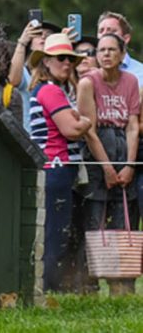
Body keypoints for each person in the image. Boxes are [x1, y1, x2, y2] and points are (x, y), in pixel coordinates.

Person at [75, 32, 140, 295]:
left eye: (112, 50)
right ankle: (87, 287)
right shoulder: (87, 83)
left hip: (123, 149)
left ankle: (123, 287)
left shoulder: (131, 81)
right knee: (94, 220)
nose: (105, 54)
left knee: (125, 221)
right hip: (97, 154)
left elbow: (133, 126)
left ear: (122, 54)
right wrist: (107, 167)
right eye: (100, 50)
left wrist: (129, 165)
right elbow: (88, 130)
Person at [28, 33, 93, 292]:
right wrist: (86, 122)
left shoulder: (49, 90)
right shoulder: (52, 91)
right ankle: (48, 290)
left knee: (56, 231)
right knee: (55, 234)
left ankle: (49, 288)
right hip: (57, 168)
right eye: (60, 58)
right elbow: (71, 129)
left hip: (57, 169)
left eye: (70, 59)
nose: (67, 63)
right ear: (46, 62)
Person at [97, 12, 143, 81]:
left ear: (126, 38)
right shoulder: (88, 66)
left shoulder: (140, 73)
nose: (104, 34)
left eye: (111, 31)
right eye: (101, 31)